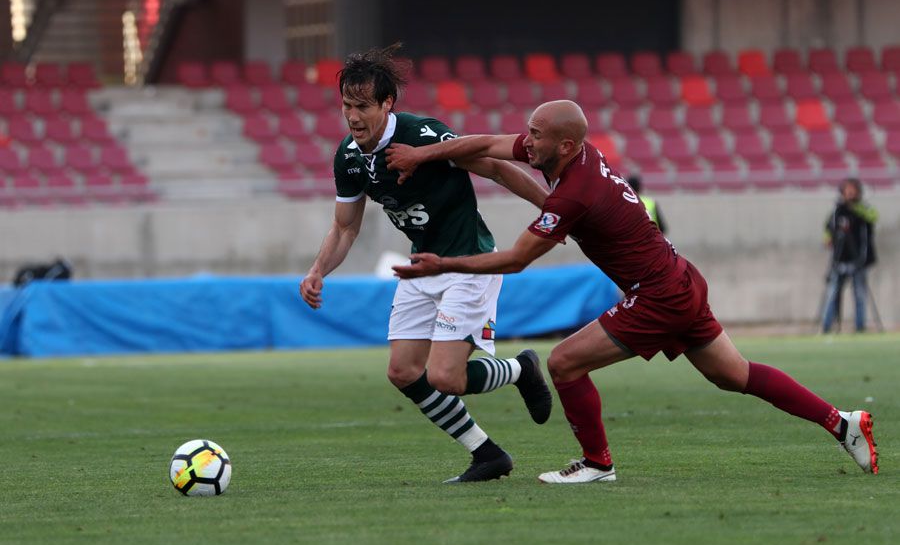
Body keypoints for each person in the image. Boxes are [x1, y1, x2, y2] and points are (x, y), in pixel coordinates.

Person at [387, 100, 878, 483]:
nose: (526, 141)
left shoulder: (577, 191)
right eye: (530, 131)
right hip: (678, 279)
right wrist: (424, 152)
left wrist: (445, 264)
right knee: (735, 375)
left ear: (564, 145)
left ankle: (597, 463)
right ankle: (842, 422)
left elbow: (516, 258)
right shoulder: (571, 151)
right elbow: (492, 144)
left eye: (535, 135)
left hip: (658, 294)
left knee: (563, 363)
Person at [298, 45, 553, 483]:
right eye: (346, 106)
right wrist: (318, 270)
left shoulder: (423, 135)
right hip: (422, 267)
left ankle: (520, 369)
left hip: (469, 261)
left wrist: (554, 209)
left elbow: (494, 167)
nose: (353, 117)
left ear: (387, 103)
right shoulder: (349, 158)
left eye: (362, 106)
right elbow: (345, 228)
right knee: (402, 371)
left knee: (445, 377)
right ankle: (487, 454)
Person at [821, 178, 878, 333]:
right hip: (840, 259)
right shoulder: (837, 211)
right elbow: (828, 228)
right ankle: (826, 327)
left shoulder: (863, 210)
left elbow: (873, 216)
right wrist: (827, 238)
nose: (850, 193)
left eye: (853, 190)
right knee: (832, 294)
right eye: (847, 190)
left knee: (859, 295)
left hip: (859, 260)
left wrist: (854, 207)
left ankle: (860, 327)